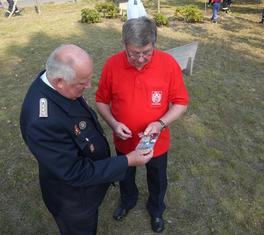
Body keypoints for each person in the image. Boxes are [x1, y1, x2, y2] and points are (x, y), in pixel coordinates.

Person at [20, 44, 153, 235]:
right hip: (73, 201)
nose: (89, 86)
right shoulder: (42, 122)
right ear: (59, 82)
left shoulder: (56, 81)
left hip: (87, 187)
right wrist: (128, 160)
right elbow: (75, 172)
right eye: (82, 83)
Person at [96, 17, 189, 233]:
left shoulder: (168, 64)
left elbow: (181, 103)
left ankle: (156, 210)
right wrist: (113, 123)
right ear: (124, 45)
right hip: (124, 140)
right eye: (133, 53)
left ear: (154, 43)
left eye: (146, 52)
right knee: (125, 175)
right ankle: (127, 202)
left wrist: (160, 123)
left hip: (157, 143)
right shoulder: (112, 64)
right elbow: (101, 101)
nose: (139, 59)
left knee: (157, 179)